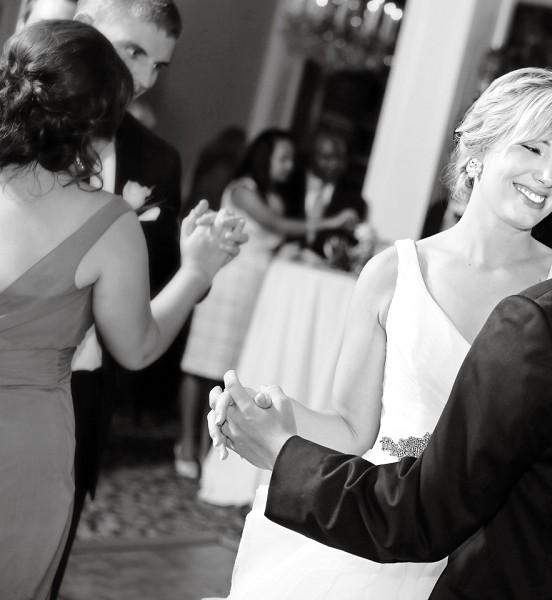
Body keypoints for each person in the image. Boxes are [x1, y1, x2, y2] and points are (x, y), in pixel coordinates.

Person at [211, 60, 552, 600]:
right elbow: (355, 429)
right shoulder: (394, 274)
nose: (549, 176)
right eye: (531, 147)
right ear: (477, 151)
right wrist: (276, 423)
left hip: (468, 540)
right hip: (400, 529)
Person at [0, 20, 243, 599]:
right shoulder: (107, 224)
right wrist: (197, 270)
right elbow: (137, 346)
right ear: (98, 123)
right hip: (22, 445)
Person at [52, 1, 187, 595]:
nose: (143, 76)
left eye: (158, 64)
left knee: (48, 552)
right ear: (82, 24)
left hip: (85, 387)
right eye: (133, 50)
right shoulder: (19, 127)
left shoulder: (158, 160)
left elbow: (149, 289)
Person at [180, 130, 320, 483]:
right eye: (283, 158)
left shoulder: (275, 194)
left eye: (291, 160)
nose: (289, 167)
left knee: (227, 371)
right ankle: (186, 444)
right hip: (228, 280)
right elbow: (274, 225)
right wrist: (327, 222)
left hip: (256, 289)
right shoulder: (242, 189)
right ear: (264, 157)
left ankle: (207, 444)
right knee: (201, 364)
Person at [284, 129, 368, 256]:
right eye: (327, 157)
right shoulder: (289, 183)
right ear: (312, 155)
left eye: (340, 158)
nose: (334, 164)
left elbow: (351, 245)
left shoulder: (354, 200)